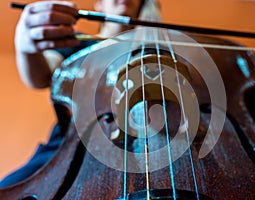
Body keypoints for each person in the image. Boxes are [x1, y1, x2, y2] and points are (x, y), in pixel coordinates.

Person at [0, 0, 160, 188]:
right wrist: (27, 48)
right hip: (72, 150)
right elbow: (41, 76)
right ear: (99, 5)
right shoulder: (77, 43)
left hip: (142, 152)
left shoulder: (153, 55)